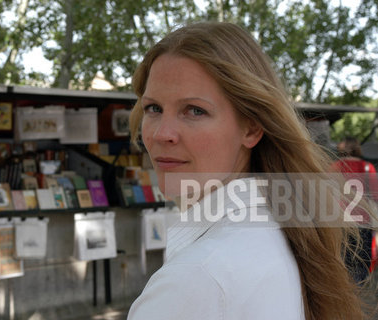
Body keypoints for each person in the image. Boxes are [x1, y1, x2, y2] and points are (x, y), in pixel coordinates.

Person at [128, 22, 366, 320]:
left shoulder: (196, 280)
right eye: (153, 108)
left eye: (195, 110)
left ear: (252, 128)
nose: (163, 134)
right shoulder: (280, 232)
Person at [331, 137, 378, 282]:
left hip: (341, 223)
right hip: (363, 222)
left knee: (343, 260)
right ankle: (359, 290)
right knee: (362, 261)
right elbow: (375, 196)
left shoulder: (335, 167)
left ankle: (346, 292)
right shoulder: (367, 167)